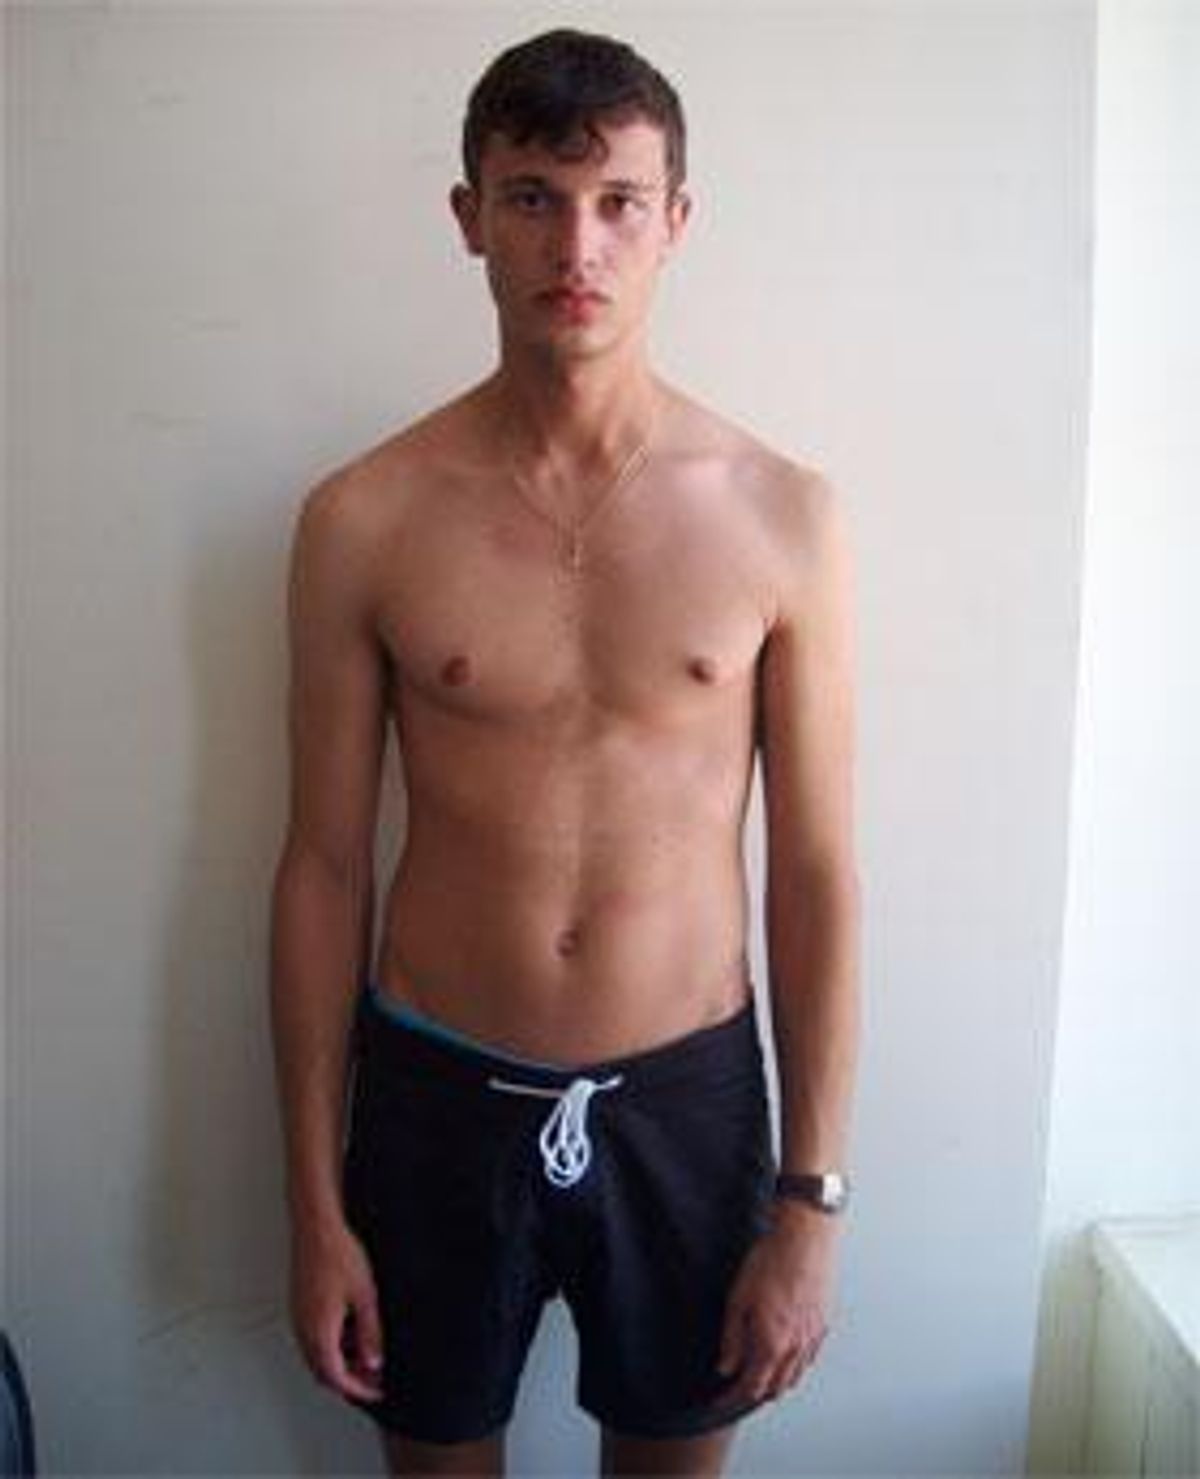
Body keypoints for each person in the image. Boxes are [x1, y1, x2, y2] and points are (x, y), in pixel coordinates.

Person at [269, 26, 861, 1479]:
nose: (576, 245)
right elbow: (324, 867)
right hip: (434, 1095)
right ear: (470, 216)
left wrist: (811, 1203)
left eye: (618, 202)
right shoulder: (364, 518)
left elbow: (816, 871)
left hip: (689, 1102)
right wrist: (312, 1203)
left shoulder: (781, 514)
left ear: (677, 219)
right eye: (532, 197)